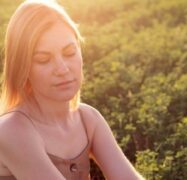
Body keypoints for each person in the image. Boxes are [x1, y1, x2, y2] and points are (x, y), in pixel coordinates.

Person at [0, 0, 144, 179]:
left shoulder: (88, 119)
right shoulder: (11, 130)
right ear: (22, 67)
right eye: (44, 59)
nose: (62, 69)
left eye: (69, 53)